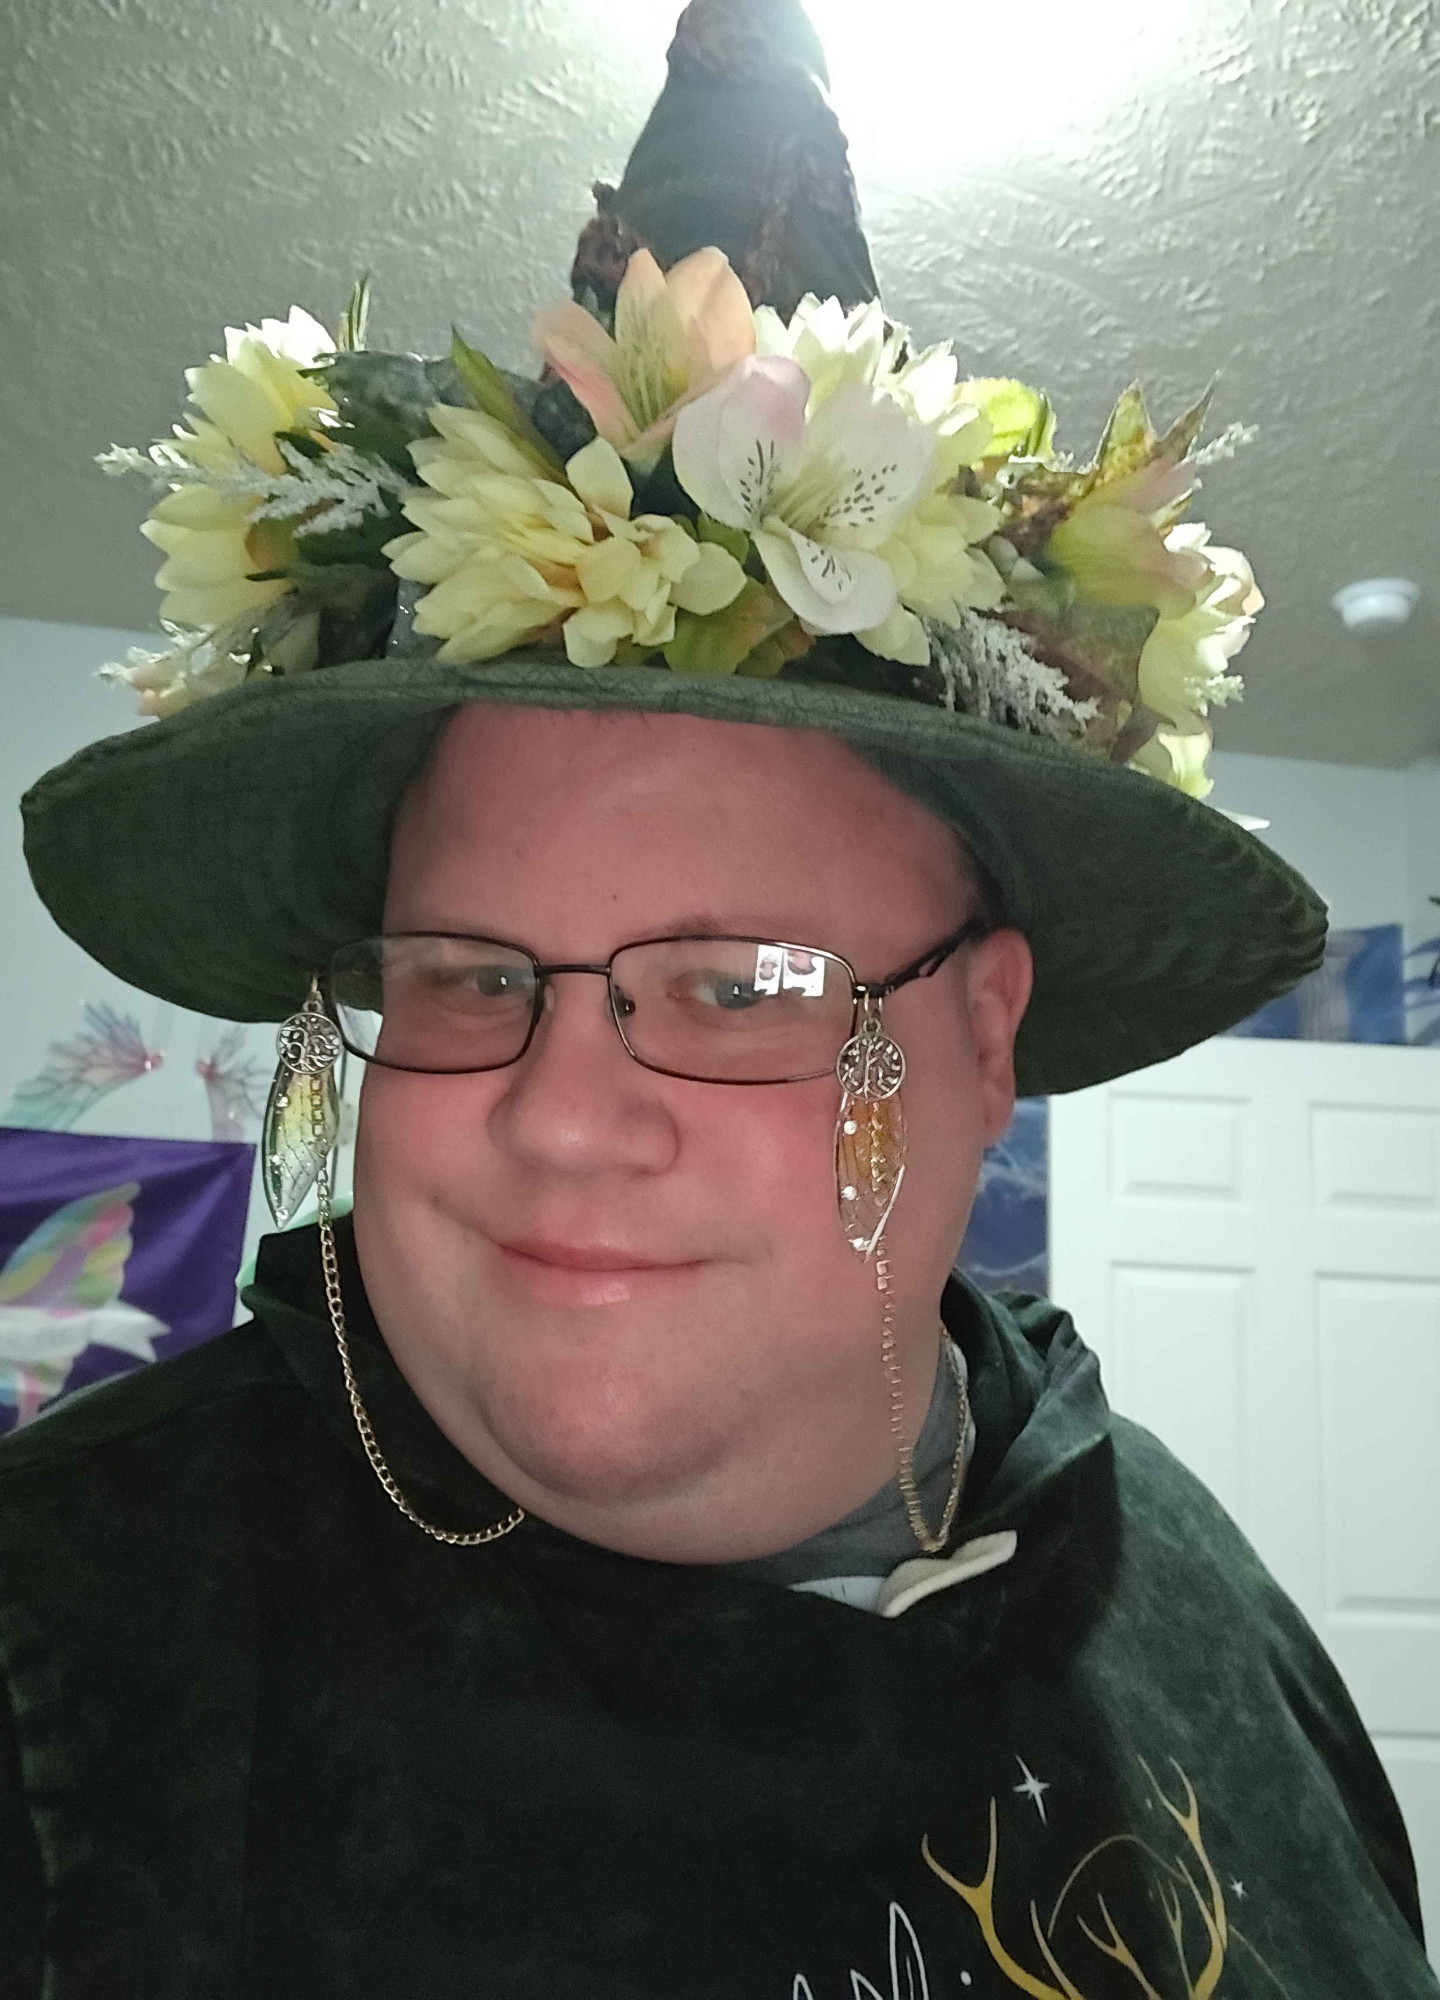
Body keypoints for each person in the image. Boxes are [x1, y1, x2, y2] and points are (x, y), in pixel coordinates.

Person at [2, 2, 1435, 1993]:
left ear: (988, 1032)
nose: (559, 1113)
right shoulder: (68, 1654)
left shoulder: (1192, 1593)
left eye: (739, 982)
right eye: (464, 974)